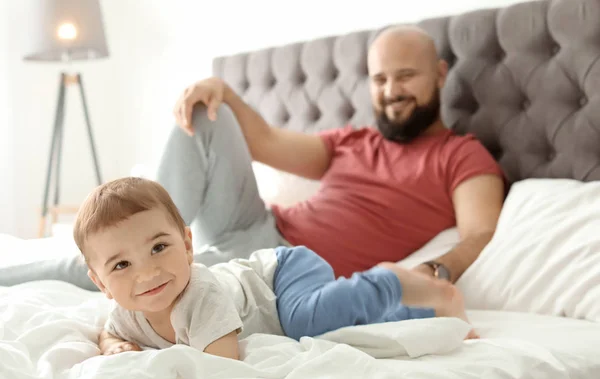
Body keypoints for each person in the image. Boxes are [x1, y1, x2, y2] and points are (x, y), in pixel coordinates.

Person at [159, 24, 505, 282]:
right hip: (254, 225)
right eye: (380, 79)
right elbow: (264, 141)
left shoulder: (461, 155)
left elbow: (480, 235)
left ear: (440, 74)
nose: (391, 91)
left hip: (288, 268)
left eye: (406, 76)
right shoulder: (353, 140)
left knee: (174, 282)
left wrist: (434, 271)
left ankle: (140, 259)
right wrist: (220, 90)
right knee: (207, 112)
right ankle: (144, 240)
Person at [78, 177, 476, 357]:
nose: (147, 273)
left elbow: (220, 365)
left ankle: (391, 280)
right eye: (122, 265)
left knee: (305, 321)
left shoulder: (198, 293)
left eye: (159, 247)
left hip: (280, 275)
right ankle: (425, 310)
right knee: (345, 328)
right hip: (269, 278)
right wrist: (114, 347)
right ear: (101, 284)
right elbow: (108, 333)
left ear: (186, 244)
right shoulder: (125, 313)